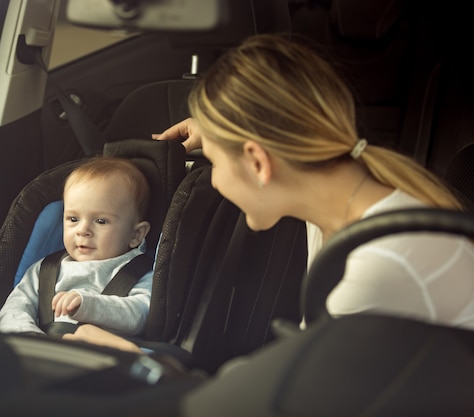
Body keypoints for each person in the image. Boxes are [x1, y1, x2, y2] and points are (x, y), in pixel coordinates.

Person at [64, 33, 474, 352]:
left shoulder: (374, 266)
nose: (218, 181)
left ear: (259, 163)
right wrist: (224, 130)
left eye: (217, 166)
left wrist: (140, 364)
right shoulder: (343, 198)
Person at [0, 156, 152, 337]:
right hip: (42, 349)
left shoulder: (140, 273)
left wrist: (88, 305)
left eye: (101, 221)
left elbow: (140, 314)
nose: (83, 230)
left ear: (136, 235)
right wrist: (29, 337)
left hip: (99, 356)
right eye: (73, 219)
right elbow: (14, 309)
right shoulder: (44, 269)